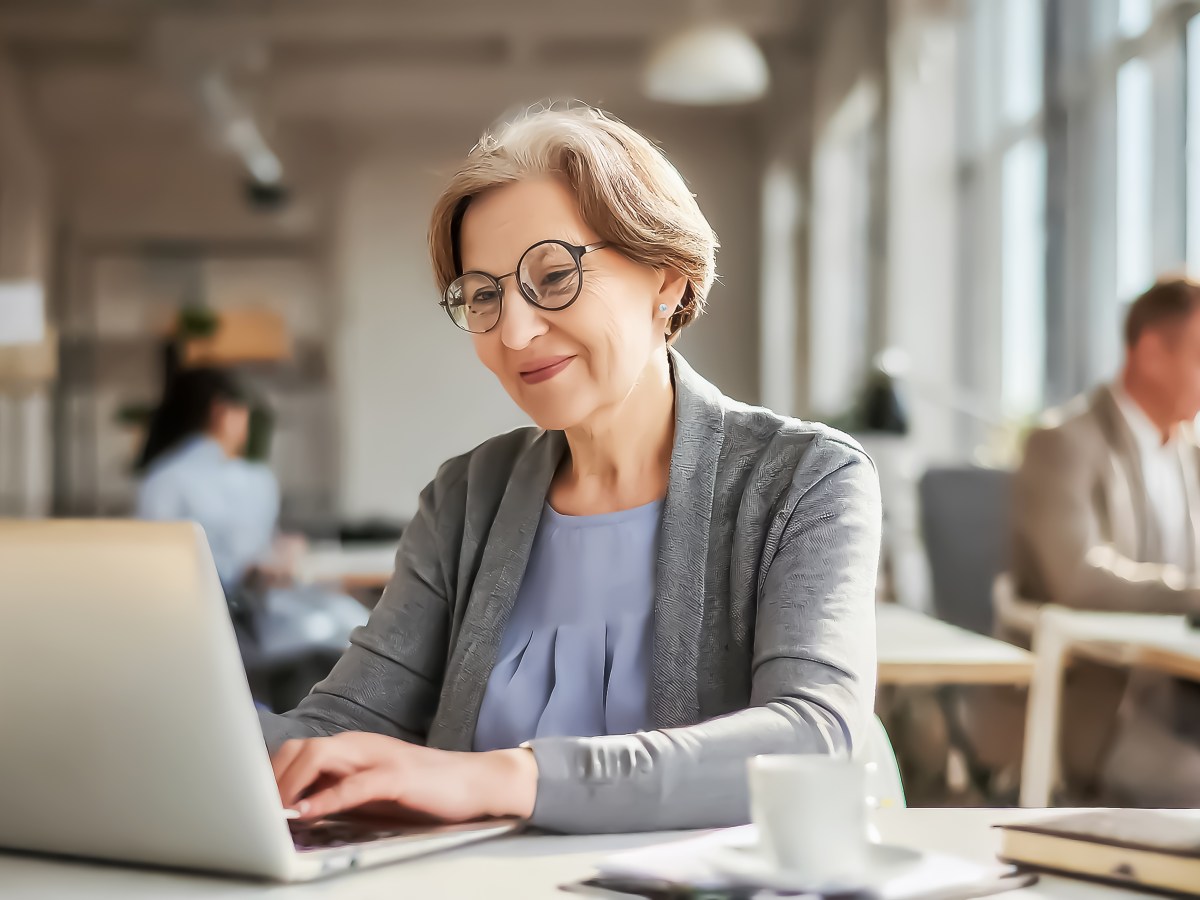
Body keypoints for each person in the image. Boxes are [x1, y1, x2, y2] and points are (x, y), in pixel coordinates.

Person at [260, 104, 881, 835]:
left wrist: (506, 776)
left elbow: (811, 738)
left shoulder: (804, 480)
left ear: (668, 280)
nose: (515, 332)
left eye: (553, 276)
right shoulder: (465, 499)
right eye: (484, 296)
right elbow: (343, 724)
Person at [1011, 276, 1200, 805]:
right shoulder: (1063, 444)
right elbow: (1079, 578)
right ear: (1151, 352)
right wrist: (1193, 595)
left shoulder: (1191, 456)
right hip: (1110, 711)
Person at [136, 367, 279, 595]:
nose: (247, 425)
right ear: (221, 412)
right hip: (222, 607)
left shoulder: (162, 476)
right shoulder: (254, 478)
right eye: (243, 412)